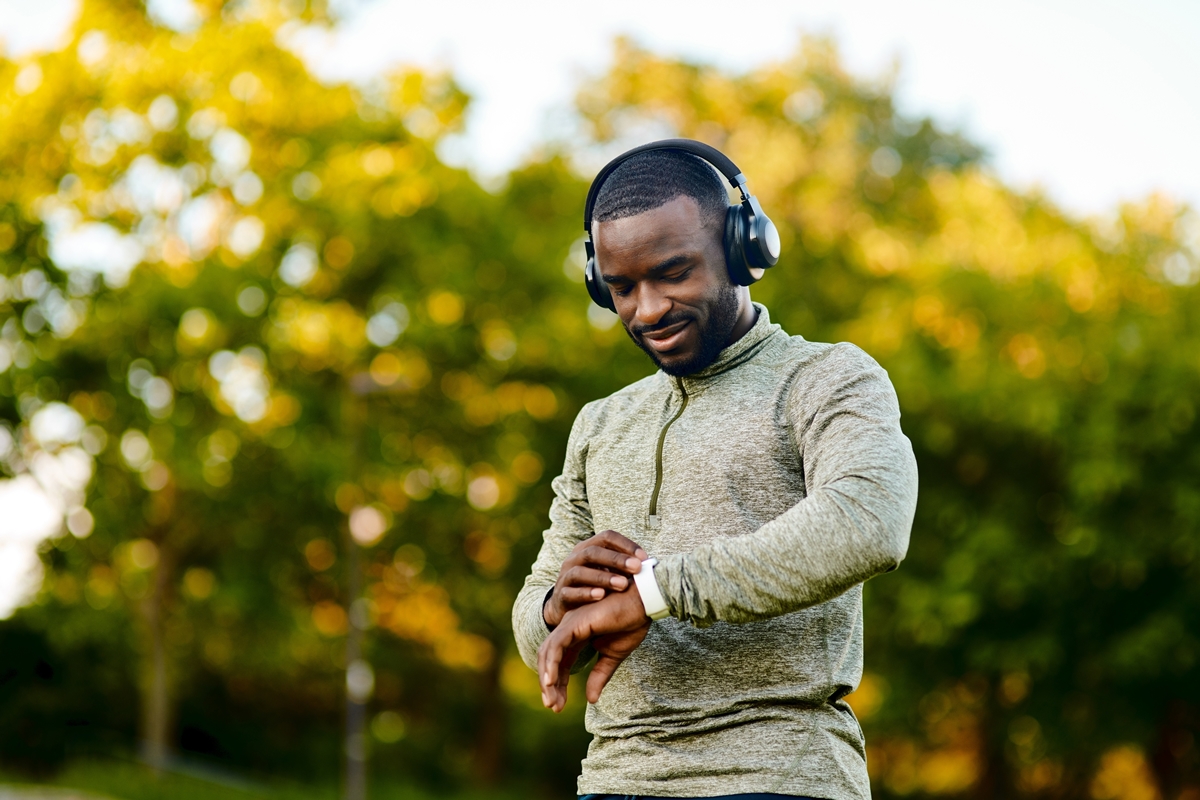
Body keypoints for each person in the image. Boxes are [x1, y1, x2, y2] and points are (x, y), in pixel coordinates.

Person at [512, 140, 918, 800]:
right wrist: (561, 604)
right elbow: (537, 631)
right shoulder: (598, 424)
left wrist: (655, 592)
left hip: (779, 776)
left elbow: (869, 519)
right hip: (614, 782)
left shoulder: (826, 378)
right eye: (620, 288)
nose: (646, 310)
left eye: (673, 273)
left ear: (741, 251)